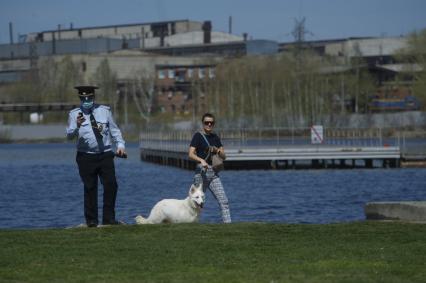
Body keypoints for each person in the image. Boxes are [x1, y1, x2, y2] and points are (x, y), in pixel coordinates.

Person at [66, 85, 127, 227]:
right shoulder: (74, 114)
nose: (87, 100)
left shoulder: (104, 111)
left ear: (93, 97)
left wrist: (120, 146)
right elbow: (69, 135)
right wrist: (77, 125)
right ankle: (92, 221)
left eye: (89, 97)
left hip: (105, 154)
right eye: (84, 98)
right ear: (80, 98)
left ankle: (109, 219)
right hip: (85, 156)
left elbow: (115, 131)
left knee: (111, 185)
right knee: (90, 187)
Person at [188, 113, 231, 223]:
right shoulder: (198, 136)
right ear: (203, 123)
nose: (209, 124)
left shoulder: (215, 137)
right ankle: (191, 224)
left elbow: (224, 156)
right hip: (201, 173)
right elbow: (190, 154)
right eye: (206, 122)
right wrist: (201, 160)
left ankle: (228, 226)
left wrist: (217, 151)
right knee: (196, 201)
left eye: (211, 123)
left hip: (213, 173)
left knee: (224, 201)